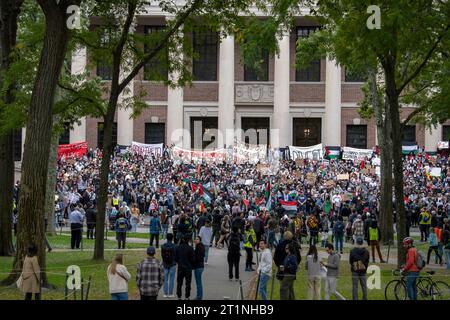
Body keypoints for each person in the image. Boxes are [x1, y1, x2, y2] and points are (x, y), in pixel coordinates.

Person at [175, 235, 195, 300]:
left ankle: (179, 296)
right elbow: (193, 259)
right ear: (188, 240)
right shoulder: (190, 248)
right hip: (188, 268)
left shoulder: (178, 248)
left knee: (179, 283)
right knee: (188, 283)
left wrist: (179, 262)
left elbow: (175, 258)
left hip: (180, 267)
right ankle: (187, 296)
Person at [161, 233, 177, 298]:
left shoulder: (163, 246)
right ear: (172, 238)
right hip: (173, 263)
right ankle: (170, 293)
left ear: (166, 238)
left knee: (165, 279)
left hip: (165, 263)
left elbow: (162, 255)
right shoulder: (175, 246)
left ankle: (165, 293)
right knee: (172, 279)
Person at [193, 236, 206, 300]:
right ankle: (199, 295)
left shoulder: (198, 247)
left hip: (198, 267)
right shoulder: (201, 246)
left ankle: (199, 296)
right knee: (199, 282)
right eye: (195, 239)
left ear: (200, 240)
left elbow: (197, 258)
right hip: (201, 266)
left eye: (197, 239)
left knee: (198, 283)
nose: (195, 240)